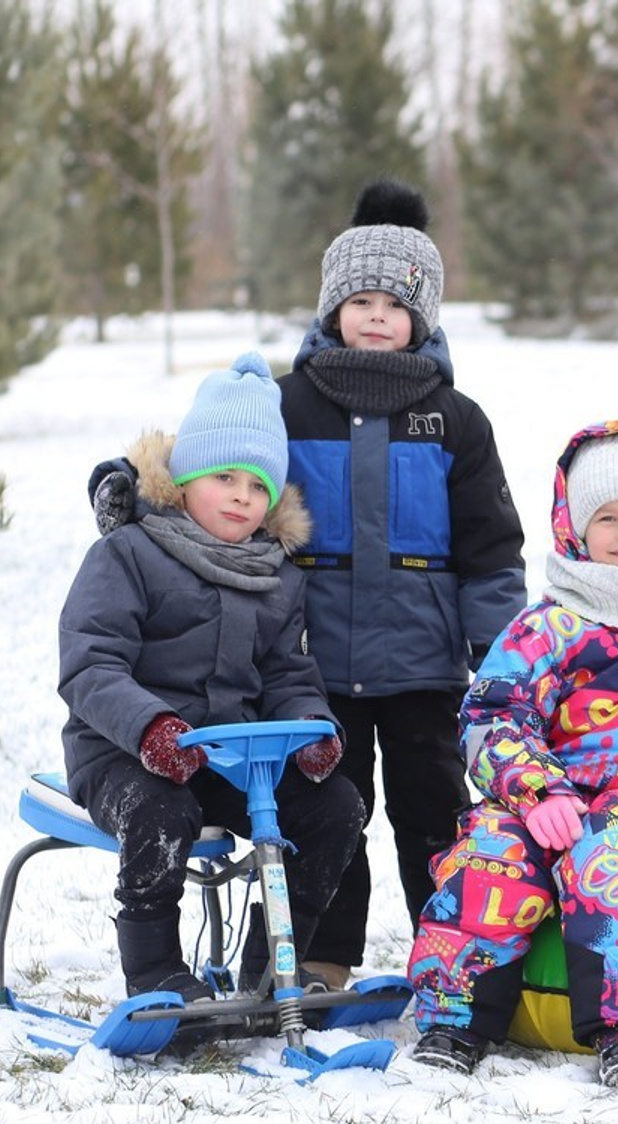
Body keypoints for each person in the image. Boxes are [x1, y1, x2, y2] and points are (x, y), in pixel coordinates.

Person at [90, 179, 527, 990]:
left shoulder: (455, 419)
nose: (374, 315)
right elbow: (214, 457)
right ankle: (323, 958)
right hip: (311, 662)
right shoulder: (291, 404)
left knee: (436, 816)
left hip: (425, 663)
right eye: (357, 299)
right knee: (336, 808)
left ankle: (454, 962)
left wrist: (499, 658)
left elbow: (491, 547)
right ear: (330, 308)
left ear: (421, 321)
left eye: (394, 305)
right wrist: (127, 478)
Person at [407, 420, 618, 1087]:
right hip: (546, 795)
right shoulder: (549, 623)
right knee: (491, 854)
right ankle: (454, 1018)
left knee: (610, 857)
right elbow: (492, 710)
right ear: (574, 526)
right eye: (607, 517)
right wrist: (535, 787)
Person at [59, 353, 364, 1003]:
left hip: (231, 755)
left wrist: (313, 729)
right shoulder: (131, 554)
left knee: (335, 807)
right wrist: (149, 728)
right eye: (223, 475)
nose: (241, 496)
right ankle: (156, 973)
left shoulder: (276, 573)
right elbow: (91, 661)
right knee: (161, 809)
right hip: (124, 754)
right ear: (184, 476)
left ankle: (270, 965)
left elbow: (289, 670)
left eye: (258, 486)